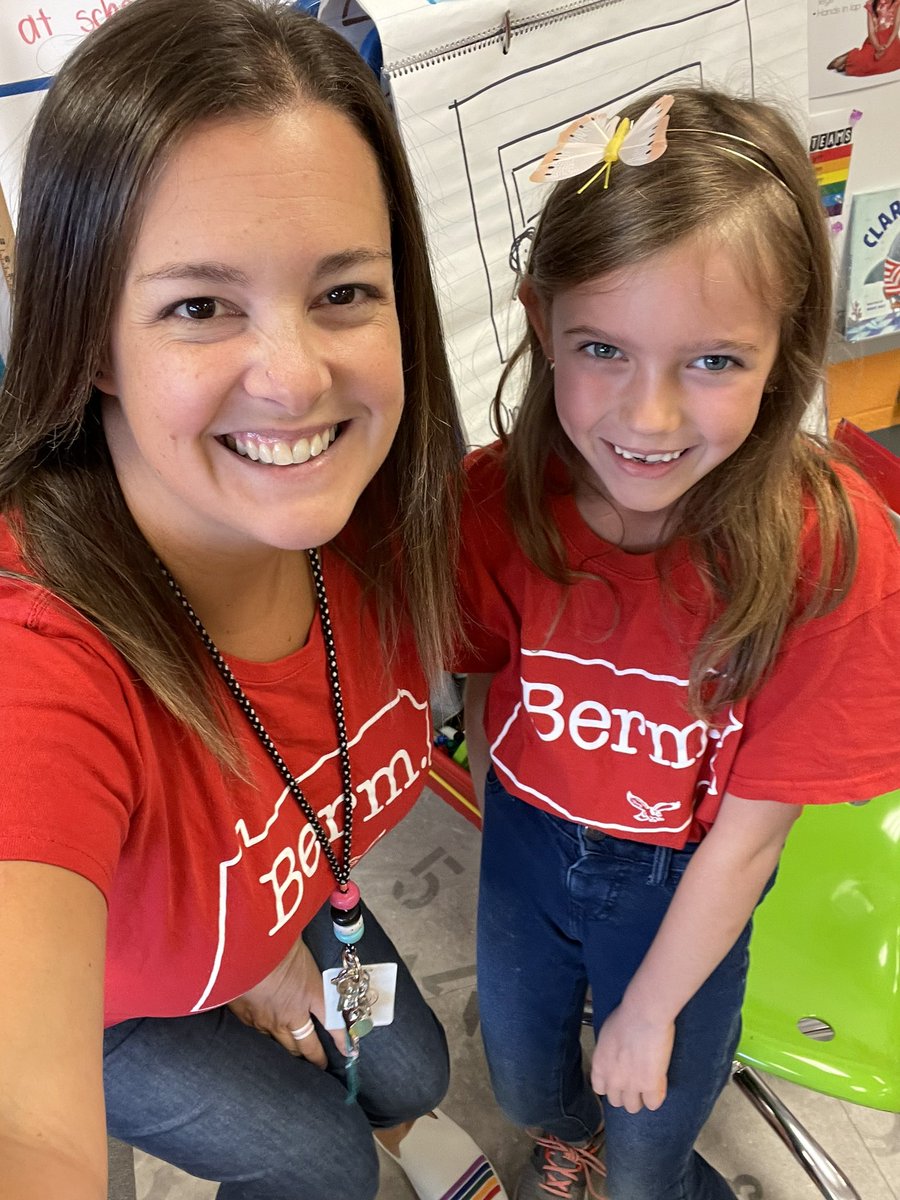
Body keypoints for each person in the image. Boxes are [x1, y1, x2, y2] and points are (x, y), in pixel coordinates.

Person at [0, 2, 508, 1198]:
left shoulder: (391, 512)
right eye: (199, 305)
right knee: (323, 1163)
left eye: (344, 292)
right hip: (125, 1008)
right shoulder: (39, 655)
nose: (294, 379)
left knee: (410, 1072)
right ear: (92, 343)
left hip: (289, 902)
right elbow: (28, 1128)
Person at [455, 87, 900, 1200]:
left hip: (687, 875)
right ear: (542, 321)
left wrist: (650, 1011)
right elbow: (479, 673)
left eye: (714, 362)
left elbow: (750, 840)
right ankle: (569, 1140)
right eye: (603, 347)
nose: (647, 420)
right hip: (523, 843)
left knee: (653, 1150)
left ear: (785, 348)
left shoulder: (826, 553)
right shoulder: (494, 501)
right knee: (525, 1084)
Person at [827, 0, 900, 75]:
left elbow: (895, 29)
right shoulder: (871, 4)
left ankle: (849, 63)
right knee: (866, 61)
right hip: (875, 41)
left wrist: (887, 45)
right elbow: (871, 31)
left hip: (891, 41)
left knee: (893, 62)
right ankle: (849, 57)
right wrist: (878, 47)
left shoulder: (897, 3)